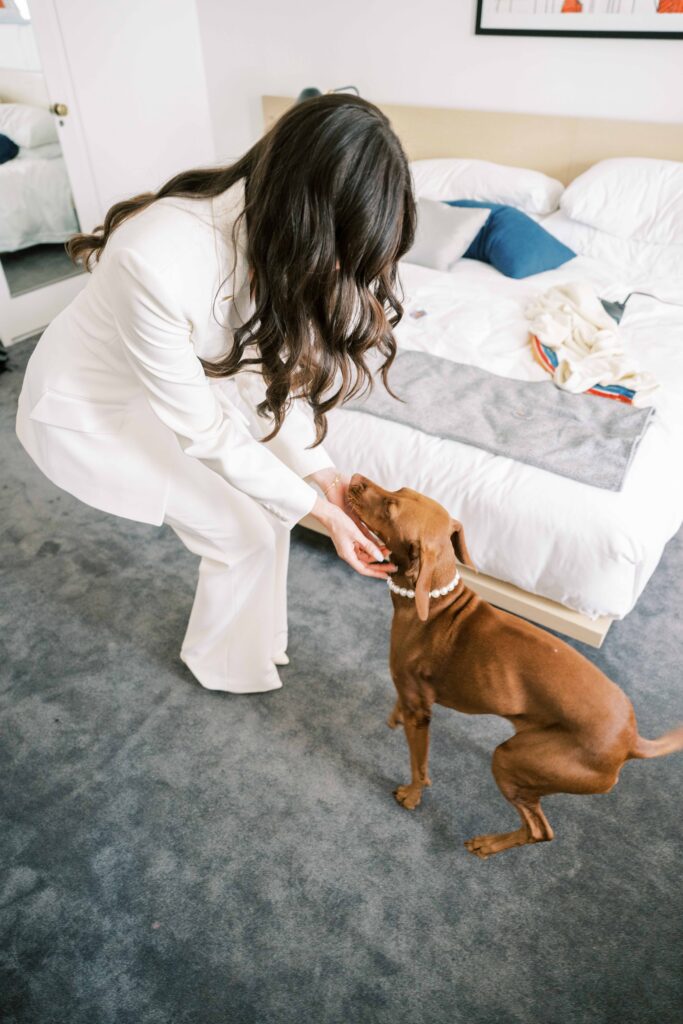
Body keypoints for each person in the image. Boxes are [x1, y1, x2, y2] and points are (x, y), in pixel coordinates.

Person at [15, 94, 416, 694]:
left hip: (167, 392)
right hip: (87, 413)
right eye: (341, 251)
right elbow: (206, 428)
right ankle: (224, 665)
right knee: (244, 528)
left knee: (270, 512)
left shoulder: (270, 235)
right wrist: (322, 514)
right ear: (305, 212)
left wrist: (322, 478)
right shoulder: (154, 258)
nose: (339, 272)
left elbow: (265, 372)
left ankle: (253, 649)